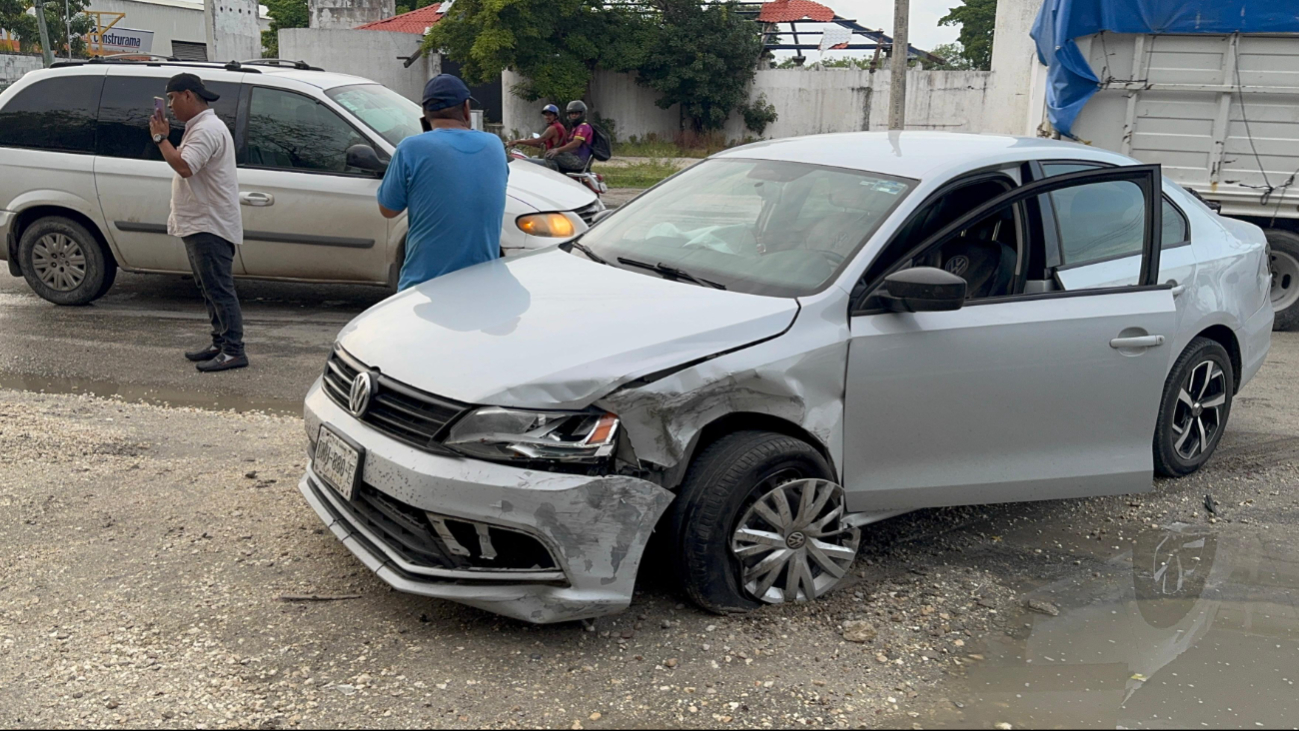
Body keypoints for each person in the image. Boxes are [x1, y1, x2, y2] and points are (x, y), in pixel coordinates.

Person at [148, 73, 247, 373]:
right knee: (208, 288)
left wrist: (161, 138)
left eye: (172, 99)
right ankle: (219, 342)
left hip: (210, 224)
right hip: (199, 222)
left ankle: (233, 350)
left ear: (188, 95)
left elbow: (185, 166)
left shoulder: (206, 130)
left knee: (219, 289)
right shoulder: (201, 127)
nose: (170, 106)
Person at [377, 75, 509, 291]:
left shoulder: (411, 148)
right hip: (482, 288)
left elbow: (388, 209)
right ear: (466, 109)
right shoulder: (494, 145)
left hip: (423, 287)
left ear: (425, 115)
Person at [543, 100, 595, 173]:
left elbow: (576, 143)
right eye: (571, 113)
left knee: (549, 156)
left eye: (576, 113)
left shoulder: (583, 127)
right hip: (574, 157)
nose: (573, 115)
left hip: (579, 161)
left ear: (582, 114)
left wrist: (557, 150)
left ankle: (555, 178)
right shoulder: (575, 127)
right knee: (551, 152)